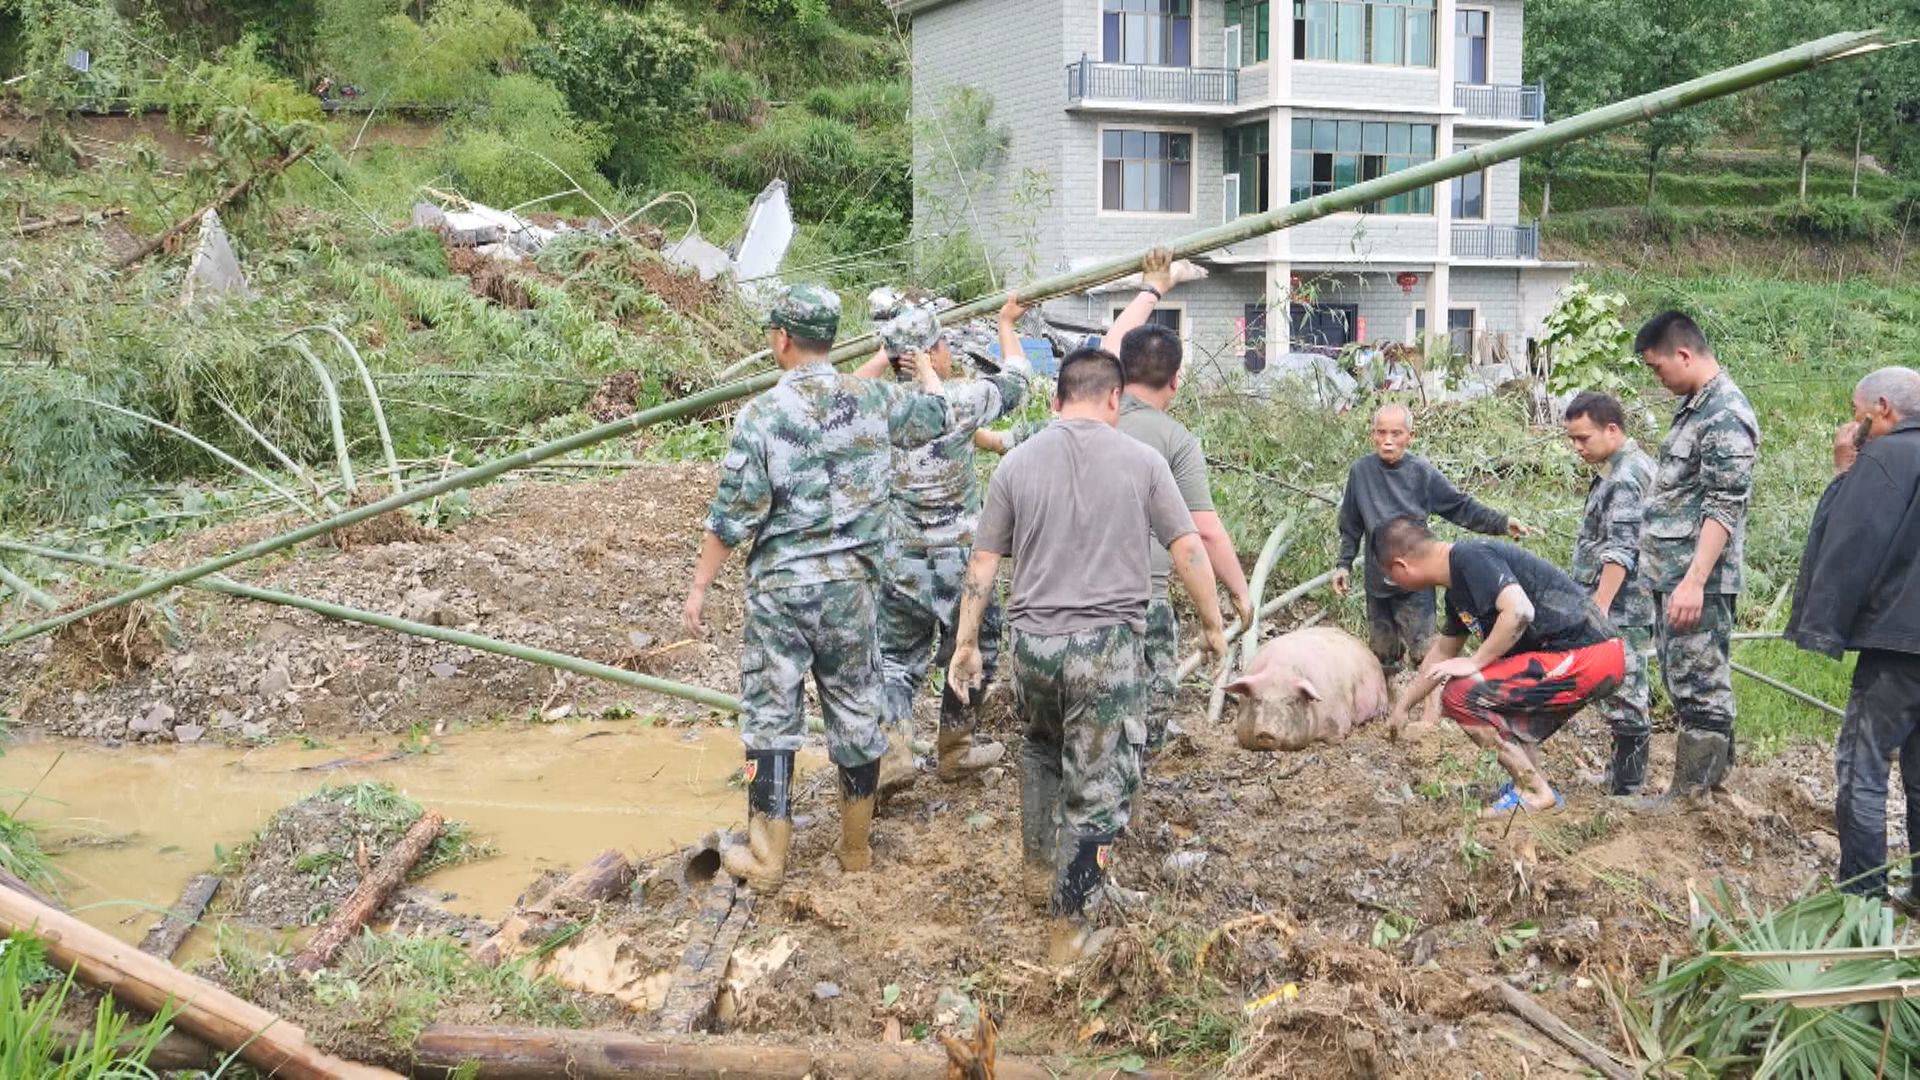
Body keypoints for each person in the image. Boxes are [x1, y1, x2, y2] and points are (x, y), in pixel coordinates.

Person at [945, 346, 1227, 966]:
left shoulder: (1016, 464)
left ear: (1055, 399)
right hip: (1104, 651)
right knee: (1098, 789)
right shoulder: (1144, 462)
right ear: (1112, 401)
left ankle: (1040, 873)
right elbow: (1188, 549)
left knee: (1042, 749)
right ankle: (1069, 930)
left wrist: (967, 643)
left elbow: (984, 564)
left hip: (1034, 648)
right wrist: (1212, 624)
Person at [682, 283, 949, 893]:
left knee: (772, 716)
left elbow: (733, 516)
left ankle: (769, 858)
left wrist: (700, 587)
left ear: (781, 338)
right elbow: (938, 414)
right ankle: (855, 852)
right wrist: (926, 368)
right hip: (853, 590)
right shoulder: (875, 400)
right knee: (856, 711)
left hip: (782, 594)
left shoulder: (762, 414)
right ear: (827, 339)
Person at [854, 298, 1032, 788]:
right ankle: (956, 747)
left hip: (900, 561)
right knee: (977, 646)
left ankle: (892, 751)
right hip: (960, 563)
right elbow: (1018, 379)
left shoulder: (874, 409)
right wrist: (1006, 323)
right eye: (943, 344)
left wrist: (890, 353)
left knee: (894, 659)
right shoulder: (963, 400)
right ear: (932, 352)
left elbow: (848, 389)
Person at [1103, 248, 1252, 752]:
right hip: (1141, 598)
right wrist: (1238, 593)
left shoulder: (1096, 414)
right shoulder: (1176, 441)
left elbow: (1110, 342)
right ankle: (1123, 809)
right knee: (1146, 715)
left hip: (1071, 594)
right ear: (1175, 380)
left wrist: (1152, 289)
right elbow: (1203, 532)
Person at [1377, 517, 1626, 816]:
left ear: (1401, 567)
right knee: (1497, 698)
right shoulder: (1457, 590)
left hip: (1589, 655)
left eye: (1391, 578)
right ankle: (1534, 787)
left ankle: (1533, 790)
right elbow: (1440, 655)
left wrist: (1475, 661)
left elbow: (1519, 610)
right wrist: (1403, 706)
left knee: (1460, 693)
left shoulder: (1470, 557)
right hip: (1586, 658)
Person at [1785, 368, 1920, 902]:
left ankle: (1863, 897)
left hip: (1898, 647)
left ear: (1880, 410)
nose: (1853, 423)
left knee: (1862, 766)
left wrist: (1844, 472)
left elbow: (1849, 541)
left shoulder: (1885, 459)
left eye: (1856, 411)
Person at [1633, 311, 1759, 800]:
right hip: (1676, 576)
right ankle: (1707, 792)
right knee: (1683, 677)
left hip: (1696, 581)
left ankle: (1692, 799)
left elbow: (1724, 505)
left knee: (1700, 685)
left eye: (1658, 368)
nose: (1658, 379)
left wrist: (1694, 580)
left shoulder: (1725, 412)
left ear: (1683, 355)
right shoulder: (1695, 407)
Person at [1334, 404, 1532, 678]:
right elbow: (1351, 524)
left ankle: (1432, 711)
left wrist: (1500, 522)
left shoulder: (1421, 473)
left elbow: (1460, 506)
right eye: (1381, 433)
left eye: (1396, 433)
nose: (1388, 440)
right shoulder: (1361, 472)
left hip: (1416, 580)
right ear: (1372, 435)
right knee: (1382, 652)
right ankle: (1388, 705)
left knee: (1425, 650)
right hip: (1377, 581)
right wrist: (1343, 564)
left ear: (1410, 436)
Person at [1563, 391, 1658, 795]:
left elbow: (1622, 548)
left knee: (1626, 688)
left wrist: (1599, 607)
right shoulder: (1620, 469)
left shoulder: (1625, 477)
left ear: (1612, 430)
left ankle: (1628, 788)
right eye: (1573, 439)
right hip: (1620, 601)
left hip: (1624, 604)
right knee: (1618, 685)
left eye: (1583, 438)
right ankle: (1618, 777)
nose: (1577, 447)